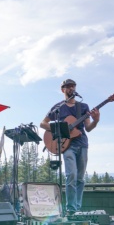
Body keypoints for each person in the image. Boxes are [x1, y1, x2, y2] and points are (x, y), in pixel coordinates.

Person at [40, 79, 100, 215]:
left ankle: (77, 208)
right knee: (71, 175)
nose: (71, 88)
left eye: (73, 86)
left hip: (82, 144)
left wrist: (96, 120)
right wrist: (60, 129)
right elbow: (43, 123)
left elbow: (88, 128)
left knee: (80, 178)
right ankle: (71, 209)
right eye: (67, 87)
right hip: (66, 145)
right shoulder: (58, 107)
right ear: (63, 90)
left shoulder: (83, 106)